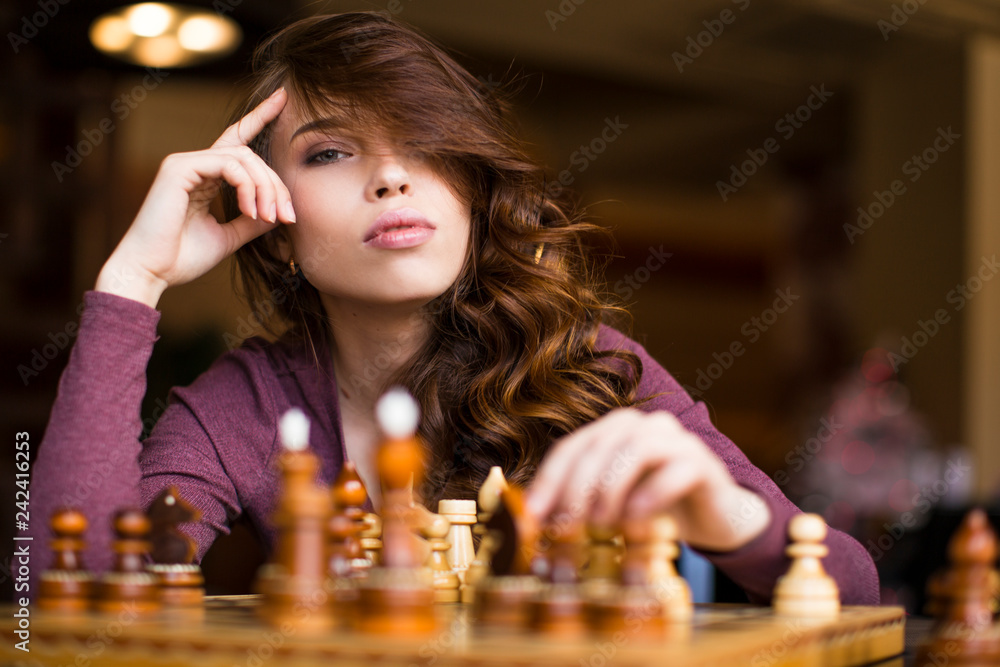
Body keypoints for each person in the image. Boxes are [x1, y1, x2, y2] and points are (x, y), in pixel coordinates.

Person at [27, 12, 879, 605]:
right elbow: (65, 592)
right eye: (330, 151)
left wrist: (721, 512)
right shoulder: (242, 405)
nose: (392, 177)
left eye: (425, 147)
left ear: (471, 192)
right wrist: (132, 280)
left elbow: (850, 586)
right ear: (275, 226)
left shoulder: (587, 361)